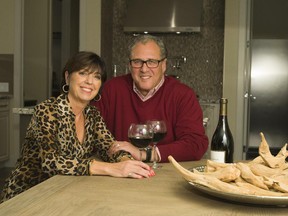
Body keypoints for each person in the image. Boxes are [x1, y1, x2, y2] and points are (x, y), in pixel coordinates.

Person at [0, 51, 154, 203]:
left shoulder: (92, 114)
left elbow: (109, 147)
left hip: (64, 191)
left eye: (96, 77)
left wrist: (127, 163)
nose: (89, 81)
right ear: (67, 78)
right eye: (82, 73)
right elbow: (51, 162)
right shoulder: (47, 111)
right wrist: (111, 168)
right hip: (28, 195)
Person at [92, 34, 209, 163]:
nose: (144, 69)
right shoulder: (111, 89)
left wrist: (145, 154)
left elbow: (195, 144)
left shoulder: (183, 95)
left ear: (164, 65)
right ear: (129, 65)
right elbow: (91, 133)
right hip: (120, 172)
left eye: (152, 62)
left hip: (166, 174)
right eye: (137, 62)